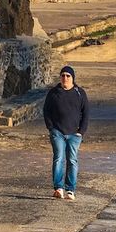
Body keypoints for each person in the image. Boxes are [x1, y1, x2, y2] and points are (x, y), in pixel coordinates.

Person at [43, 65, 89, 200]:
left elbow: (86, 113)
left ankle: (70, 189)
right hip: (57, 132)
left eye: (68, 76)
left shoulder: (80, 93)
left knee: (72, 160)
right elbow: (46, 111)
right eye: (63, 75)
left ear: (72, 78)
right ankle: (58, 187)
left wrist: (81, 131)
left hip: (74, 134)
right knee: (58, 158)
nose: (65, 78)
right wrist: (51, 128)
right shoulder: (53, 93)